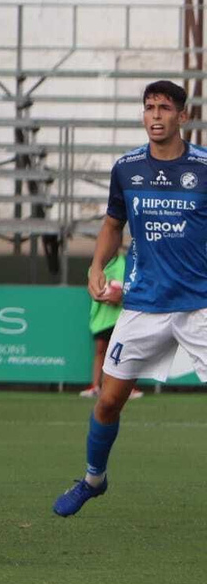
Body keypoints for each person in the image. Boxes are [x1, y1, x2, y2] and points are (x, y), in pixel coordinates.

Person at [53, 80, 207, 517]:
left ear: (183, 116)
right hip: (144, 306)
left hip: (200, 304)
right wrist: (96, 266)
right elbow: (112, 224)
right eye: (148, 108)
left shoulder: (204, 167)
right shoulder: (127, 168)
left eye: (164, 108)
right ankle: (93, 479)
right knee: (108, 399)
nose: (155, 115)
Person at [82, 250, 142, 400]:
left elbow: (131, 287)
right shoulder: (95, 268)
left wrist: (121, 296)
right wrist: (106, 296)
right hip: (102, 319)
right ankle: (96, 386)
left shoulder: (125, 264)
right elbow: (94, 289)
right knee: (101, 351)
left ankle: (128, 388)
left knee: (124, 352)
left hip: (121, 317)